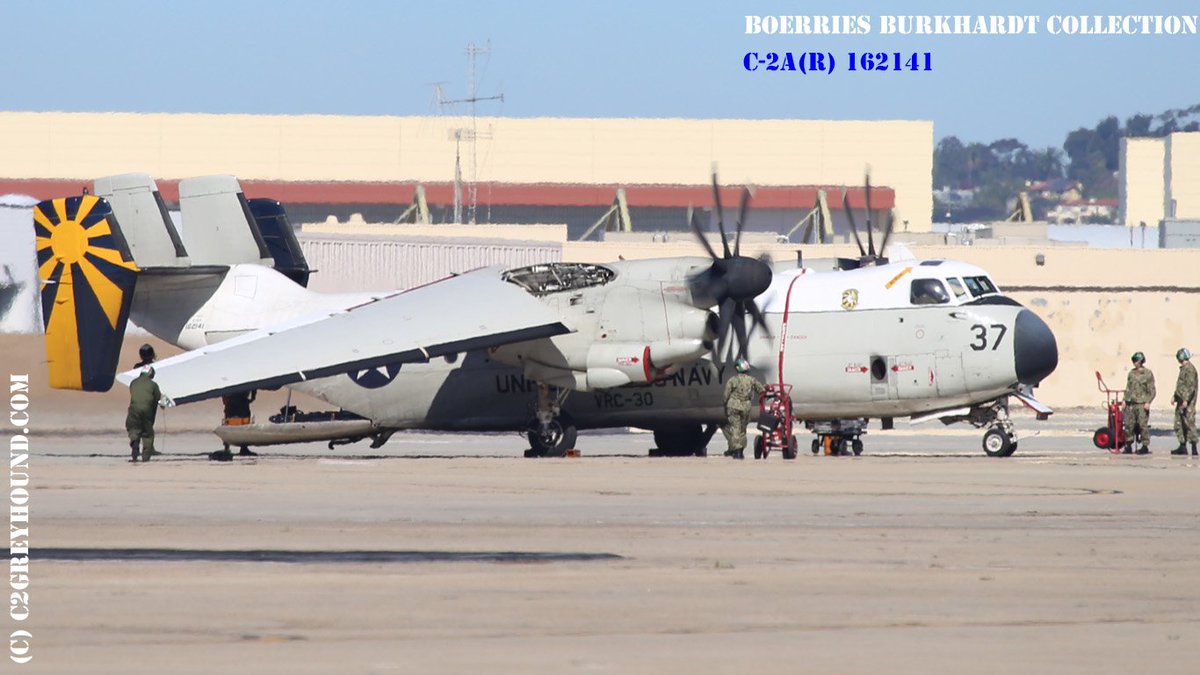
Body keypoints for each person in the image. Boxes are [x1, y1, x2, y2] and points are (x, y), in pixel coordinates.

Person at [722, 358, 764, 459]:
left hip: (733, 407)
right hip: (746, 407)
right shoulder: (751, 380)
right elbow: (761, 390)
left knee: (735, 428)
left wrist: (725, 405)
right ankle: (740, 451)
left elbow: (725, 395)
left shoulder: (733, 380)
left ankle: (737, 451)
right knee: (742, 429)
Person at [126, 366, 162, 462]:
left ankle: (134, 444)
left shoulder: (133, 382)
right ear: (151, 374)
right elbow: (158, 398)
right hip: (147, 410)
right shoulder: (153, 385)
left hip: (134, 409)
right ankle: (145, 458)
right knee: (147, 433)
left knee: (133, 428)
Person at [1123, 351, 1156, 455]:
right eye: (1134, 361)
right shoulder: (1131, 373)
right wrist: (1124, 400)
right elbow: (1128, 388)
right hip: (1131, 403)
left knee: (1143, 425)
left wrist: (1148, 401)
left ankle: (1145, 446)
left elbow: (1152, 390)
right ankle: (1128, 445)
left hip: (1142, 404)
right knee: (1129, 425)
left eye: (1136, 361)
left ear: (1141, 361)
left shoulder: (1147, 373)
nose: (1135, 363)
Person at [214, 390, 258, 460]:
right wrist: (253, 396)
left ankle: (241, 447)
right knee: (231, 423)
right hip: (234, 400)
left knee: (243, 424)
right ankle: (229, 447)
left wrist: (253, 396)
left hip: (239, 400)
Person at [1171, 348, 1198, 456]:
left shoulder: (1190, 369)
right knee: (1178, 424)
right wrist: (1174, 396)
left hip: (1187, 403)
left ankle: (1194, 447)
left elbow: (1190, 387)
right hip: (1181, 401)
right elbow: (1180, 386)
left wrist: (1186, 400)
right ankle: (1182, 446)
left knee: (1189, 424)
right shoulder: (1184, 369)